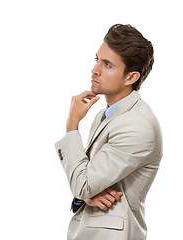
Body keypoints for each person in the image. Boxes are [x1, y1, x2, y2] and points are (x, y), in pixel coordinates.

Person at [55, 24, 163, 240]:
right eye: (97, 59)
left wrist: (72, 125)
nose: (95, 70)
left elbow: (83, 184)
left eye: (107, 64)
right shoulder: (106, 115)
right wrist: (85, 196)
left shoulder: (137, 124)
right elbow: (85, 181)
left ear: (131, 77)